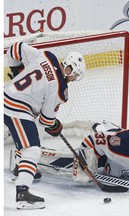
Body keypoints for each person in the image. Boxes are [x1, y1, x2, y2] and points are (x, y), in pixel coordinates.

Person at [4, 42, 86, 210]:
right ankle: (23, 192)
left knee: (30, 134)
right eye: (75, 75)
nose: (73, 79)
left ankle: (21, 167)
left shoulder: (47, 56)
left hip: (5, 94)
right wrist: (55, 125)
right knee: (33, 148)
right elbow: (46, 120)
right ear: (69, 68)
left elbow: (16, 47)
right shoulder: (60, 89)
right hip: (16, 109)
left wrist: (15, 70)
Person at [11, 121, 129, 192]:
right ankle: (25, 157)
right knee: (73, 167)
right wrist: (86, 160)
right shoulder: (118, 141)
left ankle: (105, 125)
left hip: (114, 160)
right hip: (106, 155)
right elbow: (92, 141)